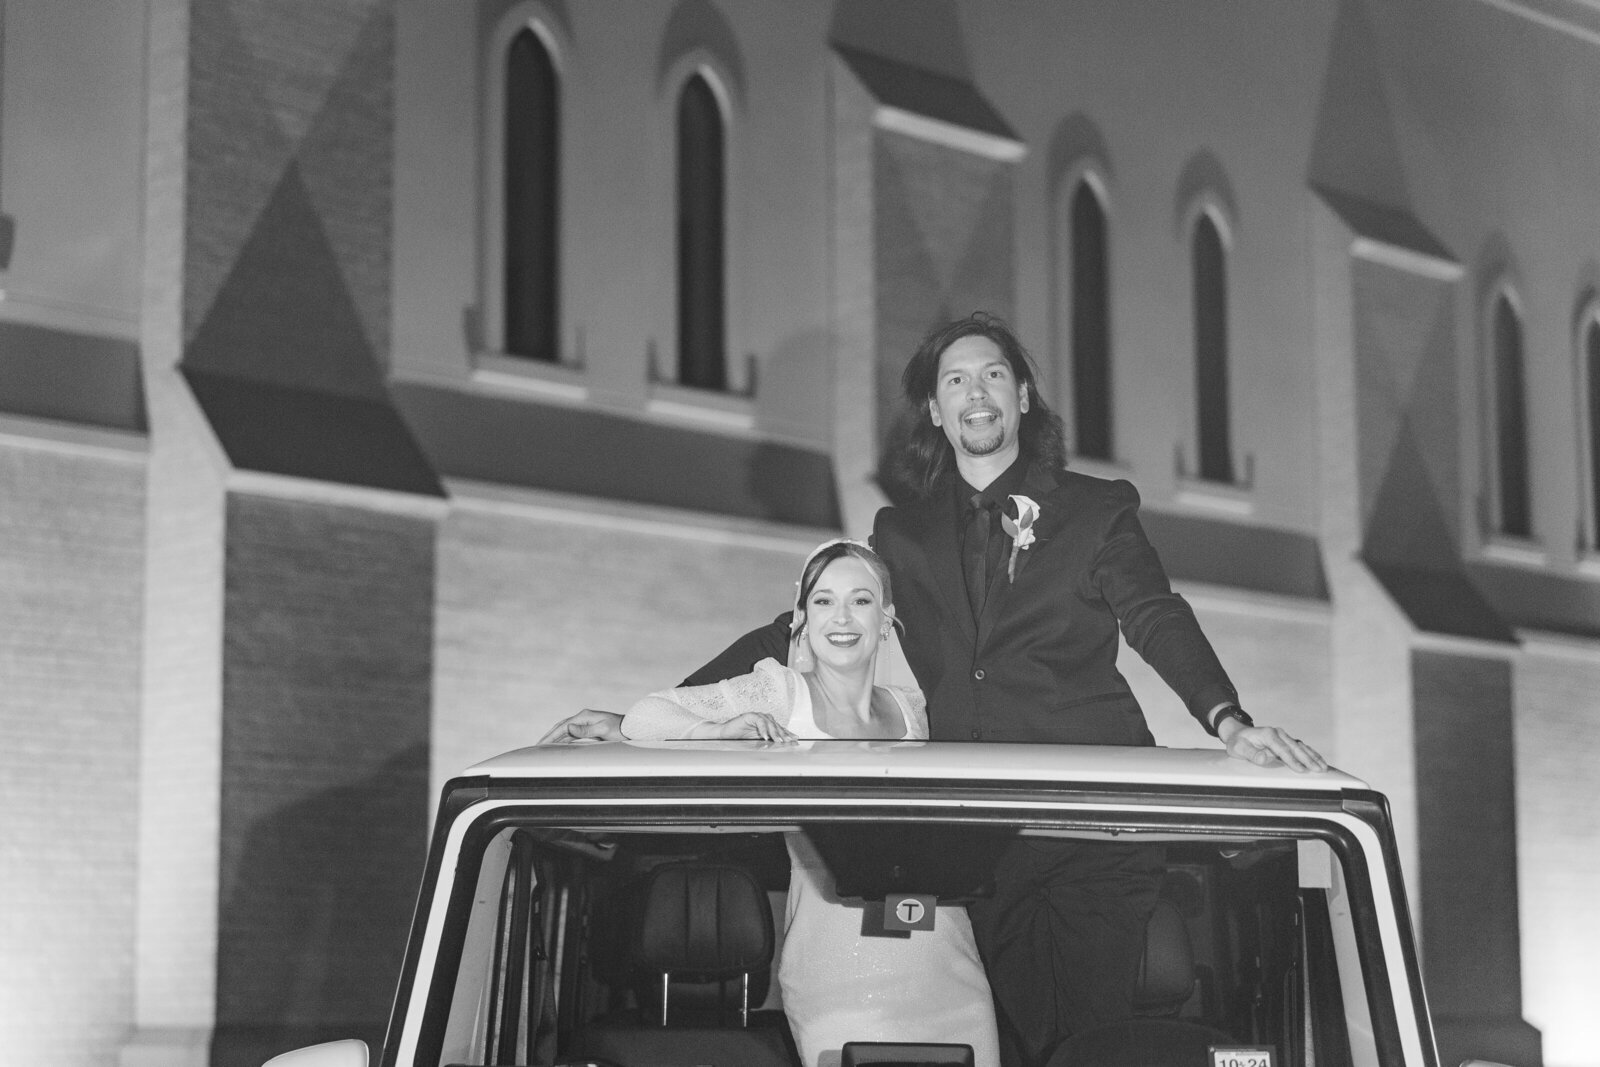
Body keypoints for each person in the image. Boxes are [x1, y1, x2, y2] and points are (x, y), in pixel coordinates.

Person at [543, 313, 1326, 1066]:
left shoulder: (1097, 510)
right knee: (1014, 1036)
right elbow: (805, 635)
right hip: (980, 838)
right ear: (936, 407)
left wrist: (1227, 720)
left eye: (993, 374)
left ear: (1022, 396)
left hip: (1094, 824)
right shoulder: (901, 535)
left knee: (1087, 1037)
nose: (975, 392)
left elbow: (1157, 615)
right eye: (956, 379)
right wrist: (654, 717)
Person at [610, 539, 1004, 1067]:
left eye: (861, 600)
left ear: (887, 617)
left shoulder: (918, 712)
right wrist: (719, 730)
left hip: (945, 962)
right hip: (836, 971)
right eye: (823, 601)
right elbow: (646, 716)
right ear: (801, 617)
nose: (842, 617)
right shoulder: (779, 693)